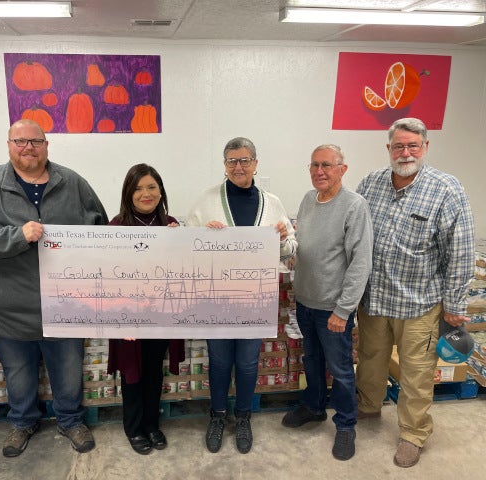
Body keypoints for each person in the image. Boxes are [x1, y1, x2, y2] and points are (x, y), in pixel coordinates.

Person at [0, 119, 108, 458]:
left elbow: (100, 226)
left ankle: (70, 421)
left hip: (66, 307)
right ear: (9, 145)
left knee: (68, 371)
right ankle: (22, 423)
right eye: (20, 141)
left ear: (46, 145)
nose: (28, 148)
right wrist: (15, 236)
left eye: (35, 141)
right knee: (19, 375)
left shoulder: (72, 183)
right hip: (7, 310)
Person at [355, 118, 475, 468]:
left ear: (425, 147)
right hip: (375, 298)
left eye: (413, 146)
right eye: (398, 146)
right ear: (388, 148)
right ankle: (368, 407)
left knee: (417, 373)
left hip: (420, 303)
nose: (405, 152)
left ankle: (413, 434)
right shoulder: (370, 184)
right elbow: (355, 235)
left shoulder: (447, 189)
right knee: (371, 361)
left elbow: (461, 251)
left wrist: (454, 304)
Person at [186, 137, 297, 454]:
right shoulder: (206, 201)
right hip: (216, 298)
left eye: (245, 160)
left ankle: (244, 416)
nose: (239, 166)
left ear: (256, 164)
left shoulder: (272, 203)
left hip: (255, 298)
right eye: (232, 161)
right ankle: (218, 415)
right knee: (220, 362)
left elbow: (289, 252)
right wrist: (201, 235)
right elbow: (187, 248)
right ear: (224, 165)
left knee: (248, 364)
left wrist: (283, 238)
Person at [281, 145, 373, 461]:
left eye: (327, 165)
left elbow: (361, 262)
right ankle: (314, 406)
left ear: (342, 169)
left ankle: (346, 426)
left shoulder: (354, 206)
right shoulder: (309, 200)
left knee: (341, 369)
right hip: (306, 301)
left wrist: (343, 310)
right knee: (312, 361)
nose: (319, 171)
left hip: (333, 308)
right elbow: (302, 246)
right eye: (314, 165)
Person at [106, 163, 186, 455]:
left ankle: (152, 425)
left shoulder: (172, 224)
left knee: (154, 371)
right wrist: (120, 319)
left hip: (161, 316)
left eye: (152, 187)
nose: (146, 193)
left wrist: (182, 242)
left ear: (161, 191)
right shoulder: (116, 227)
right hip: (128, 317)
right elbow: (107, 276)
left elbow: (184, 271)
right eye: (138, 188)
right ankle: (134, 428)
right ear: (128, 193)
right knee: (132, 373)